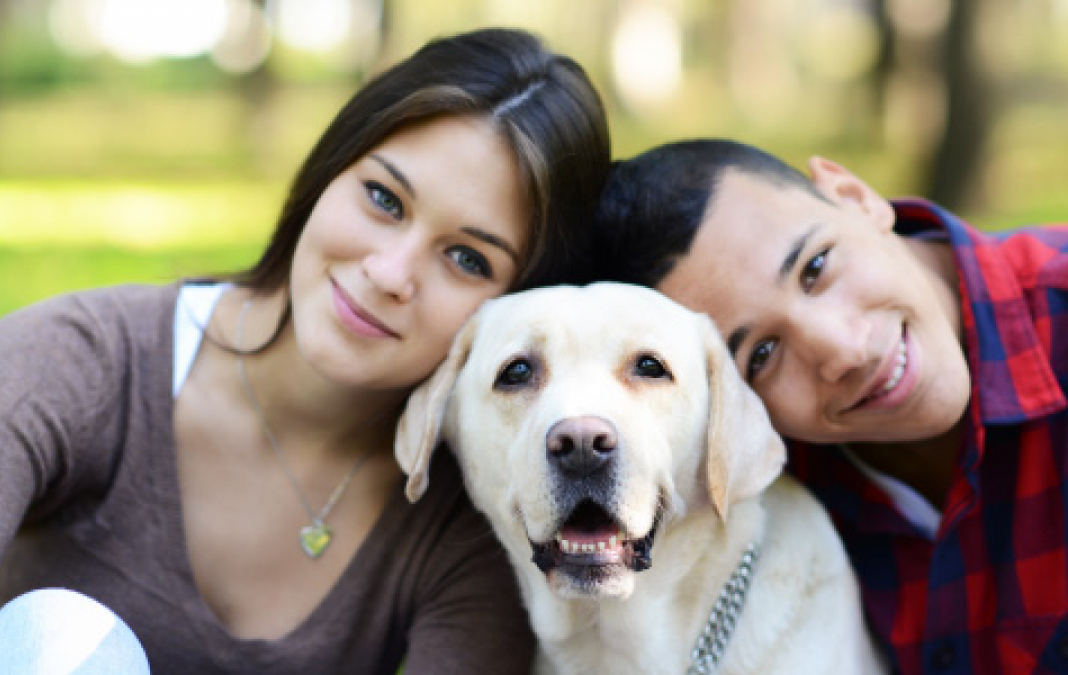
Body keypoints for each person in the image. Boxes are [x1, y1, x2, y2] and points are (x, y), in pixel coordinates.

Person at [0, 27, 610, 675]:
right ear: (331, 169)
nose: (389, 272)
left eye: (467, 257)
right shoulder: (85, 361)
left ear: (519, 306)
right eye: (384, 198)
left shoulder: (467, 521)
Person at [589, 139, 1068, 673]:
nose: (844, 350)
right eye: (763, 355)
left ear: (854, 195)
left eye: (816, 267)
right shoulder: (756, 475)